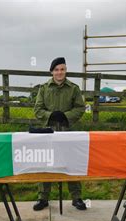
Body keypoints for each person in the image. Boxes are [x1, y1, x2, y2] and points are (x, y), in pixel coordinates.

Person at [33, 57, 87, 211]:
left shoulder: (73, 89)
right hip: (48, 132)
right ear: (52, 72)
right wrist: (50, 116)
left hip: (67, 131)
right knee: (46, 163)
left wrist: (65, 116)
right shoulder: (43, 88)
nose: (59, 72)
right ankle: (43, 198)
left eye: (62, 69)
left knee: (71, 163)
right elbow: (37, 109)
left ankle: (76, 197)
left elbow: (80, 108)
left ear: (66, 70)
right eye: (56, 69)